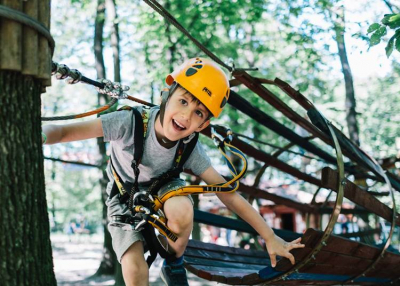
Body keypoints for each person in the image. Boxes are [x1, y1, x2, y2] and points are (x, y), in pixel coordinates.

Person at [42, 57, 305, 286]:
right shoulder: (128, 122)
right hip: (123, 198)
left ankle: (174, 263)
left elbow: (229, 194)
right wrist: (39, 135)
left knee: (182, 207)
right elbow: (66, 131)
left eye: (198, 112)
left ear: (204, 124)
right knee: (134, 269)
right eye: (182, 101)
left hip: (165, 190)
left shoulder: (190, 148)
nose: (186, 115)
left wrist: (270, 236)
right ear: (166, 96)